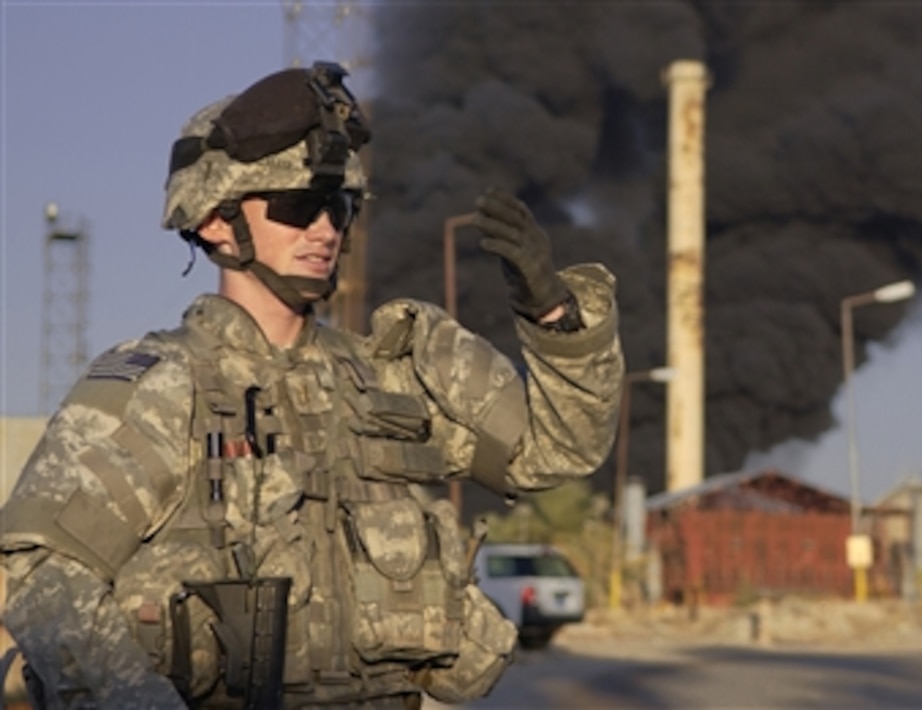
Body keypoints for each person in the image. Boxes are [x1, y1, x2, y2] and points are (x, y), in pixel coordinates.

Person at [1, 62, 623, 709]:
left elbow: (557, 451)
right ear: (216, 221)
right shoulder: (161, 388)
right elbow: (46, 572)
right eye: (299, 207)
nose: (326, 230)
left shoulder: (394, 376)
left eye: (339, 207)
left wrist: (555, 317)